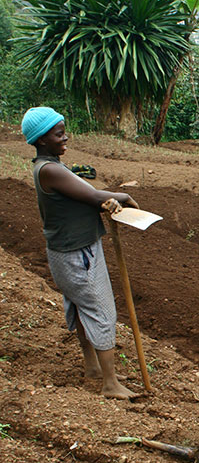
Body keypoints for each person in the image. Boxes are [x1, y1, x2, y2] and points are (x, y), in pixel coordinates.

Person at [22, 106, 139, 399]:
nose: (65, 138)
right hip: (78, 254)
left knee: (81, 306)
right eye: (59, 134)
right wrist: (121, 197)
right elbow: (93, 196)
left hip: (68, 251)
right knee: (100, 310)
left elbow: (86, 198)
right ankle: (110, 384)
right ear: (42, 139)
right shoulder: (49, 170)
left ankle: (94, 368)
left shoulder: (51, 167)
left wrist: (105, 202)